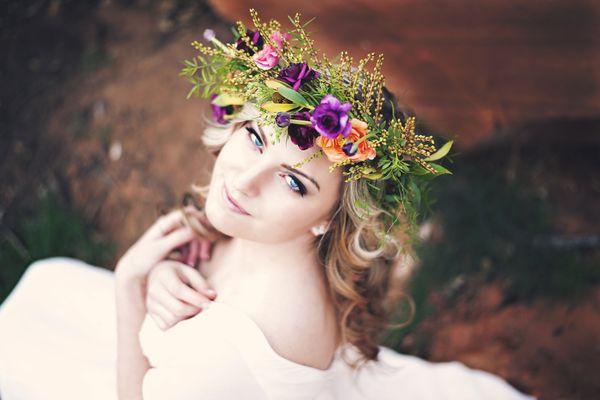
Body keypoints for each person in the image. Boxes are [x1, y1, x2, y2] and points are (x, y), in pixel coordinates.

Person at [0, 8, 536, 400]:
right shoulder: (272, 237)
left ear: (329, 219)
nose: (244, 182)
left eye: (294, 183)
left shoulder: (231, 350)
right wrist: (163, 274)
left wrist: (129, 290)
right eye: (256, 138)